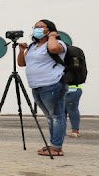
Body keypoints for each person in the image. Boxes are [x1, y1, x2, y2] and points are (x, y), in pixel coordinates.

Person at [18, 19, 68, 157]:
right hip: (36, 86)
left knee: (57, 116)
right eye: (35, 27)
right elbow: (22, 63)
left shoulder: (58, 44)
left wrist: (52, 36)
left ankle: (57, 147)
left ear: (49, 29)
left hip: (52, 84)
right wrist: (21, 51)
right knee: (50, 116)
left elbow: (53, 49)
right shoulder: (33, 46)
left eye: (41, 26)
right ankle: (53, 144)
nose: (37, 29)